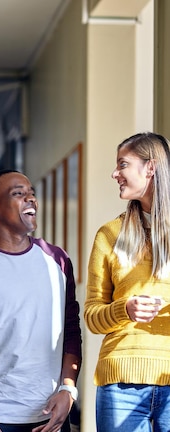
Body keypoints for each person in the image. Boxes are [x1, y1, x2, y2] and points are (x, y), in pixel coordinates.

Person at [0, 170, 82, 432]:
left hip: (51, 415)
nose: (31, 199)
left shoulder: (57, 260)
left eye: (32, 193)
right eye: (19, 194)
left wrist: (68, 389)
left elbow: (71, 332)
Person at [84, 132, 170, 431]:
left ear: (151, 167)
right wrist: (125, 310)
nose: (115, 173)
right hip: (119, 381)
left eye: (123, 164)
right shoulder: (109, 235)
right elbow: (93, 318)